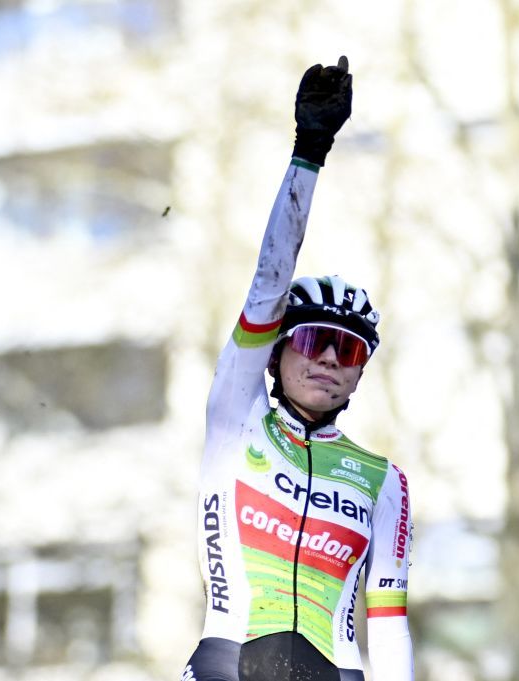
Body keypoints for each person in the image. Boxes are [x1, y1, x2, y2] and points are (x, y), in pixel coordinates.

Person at [181, 57, 414, 681]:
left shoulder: (383, 479)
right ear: (278, 350)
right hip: (226, 663)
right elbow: (267, 284)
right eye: (313, 339)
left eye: (352, 350)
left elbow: (389, 621)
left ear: (362, 373)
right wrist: (308, 154)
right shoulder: (237, 415)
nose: (331, 359)